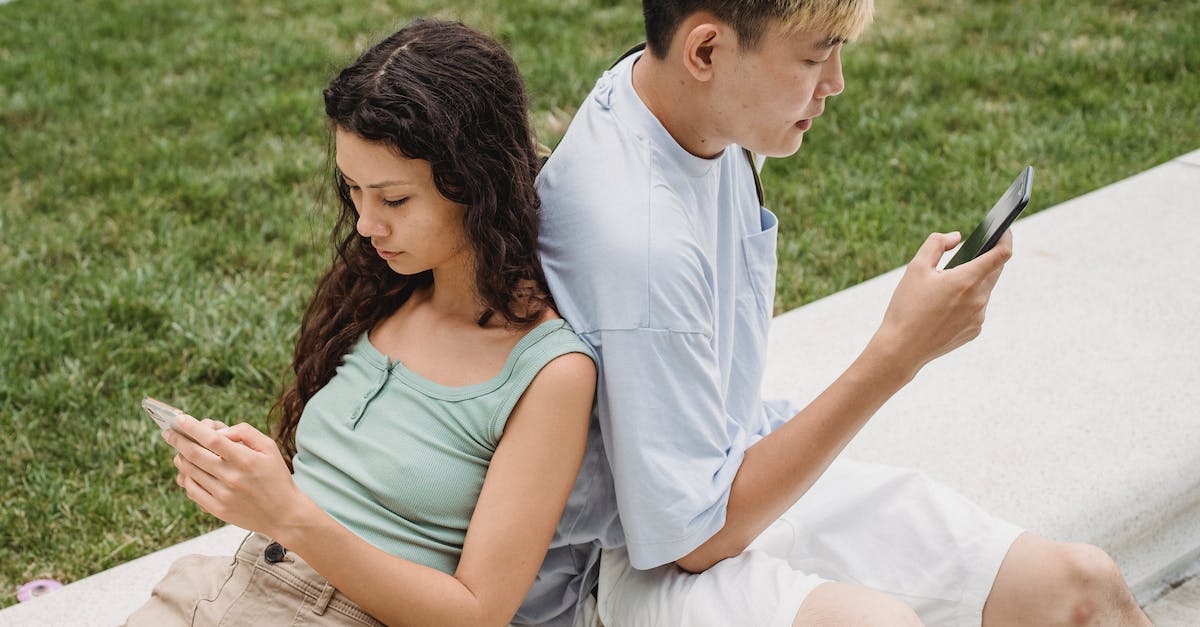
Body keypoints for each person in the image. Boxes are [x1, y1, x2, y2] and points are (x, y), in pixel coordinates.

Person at [525, 1, 1152, 626]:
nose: (836, 83)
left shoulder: (677, 101)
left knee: (1082, 589)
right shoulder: (641, 240)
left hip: (728, 468)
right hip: (625, 561)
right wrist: (898, 354)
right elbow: (690, 542)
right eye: (815, 56)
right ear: (707, 52)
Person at [125, 19, 596, 627]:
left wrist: (286, 512)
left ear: (475, 183)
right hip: (223, 589)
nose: (367, 224)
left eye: (394, 199)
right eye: (353, 190)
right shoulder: (384, 291)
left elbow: (477, 614)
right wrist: (250, 476)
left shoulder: (547, 371)